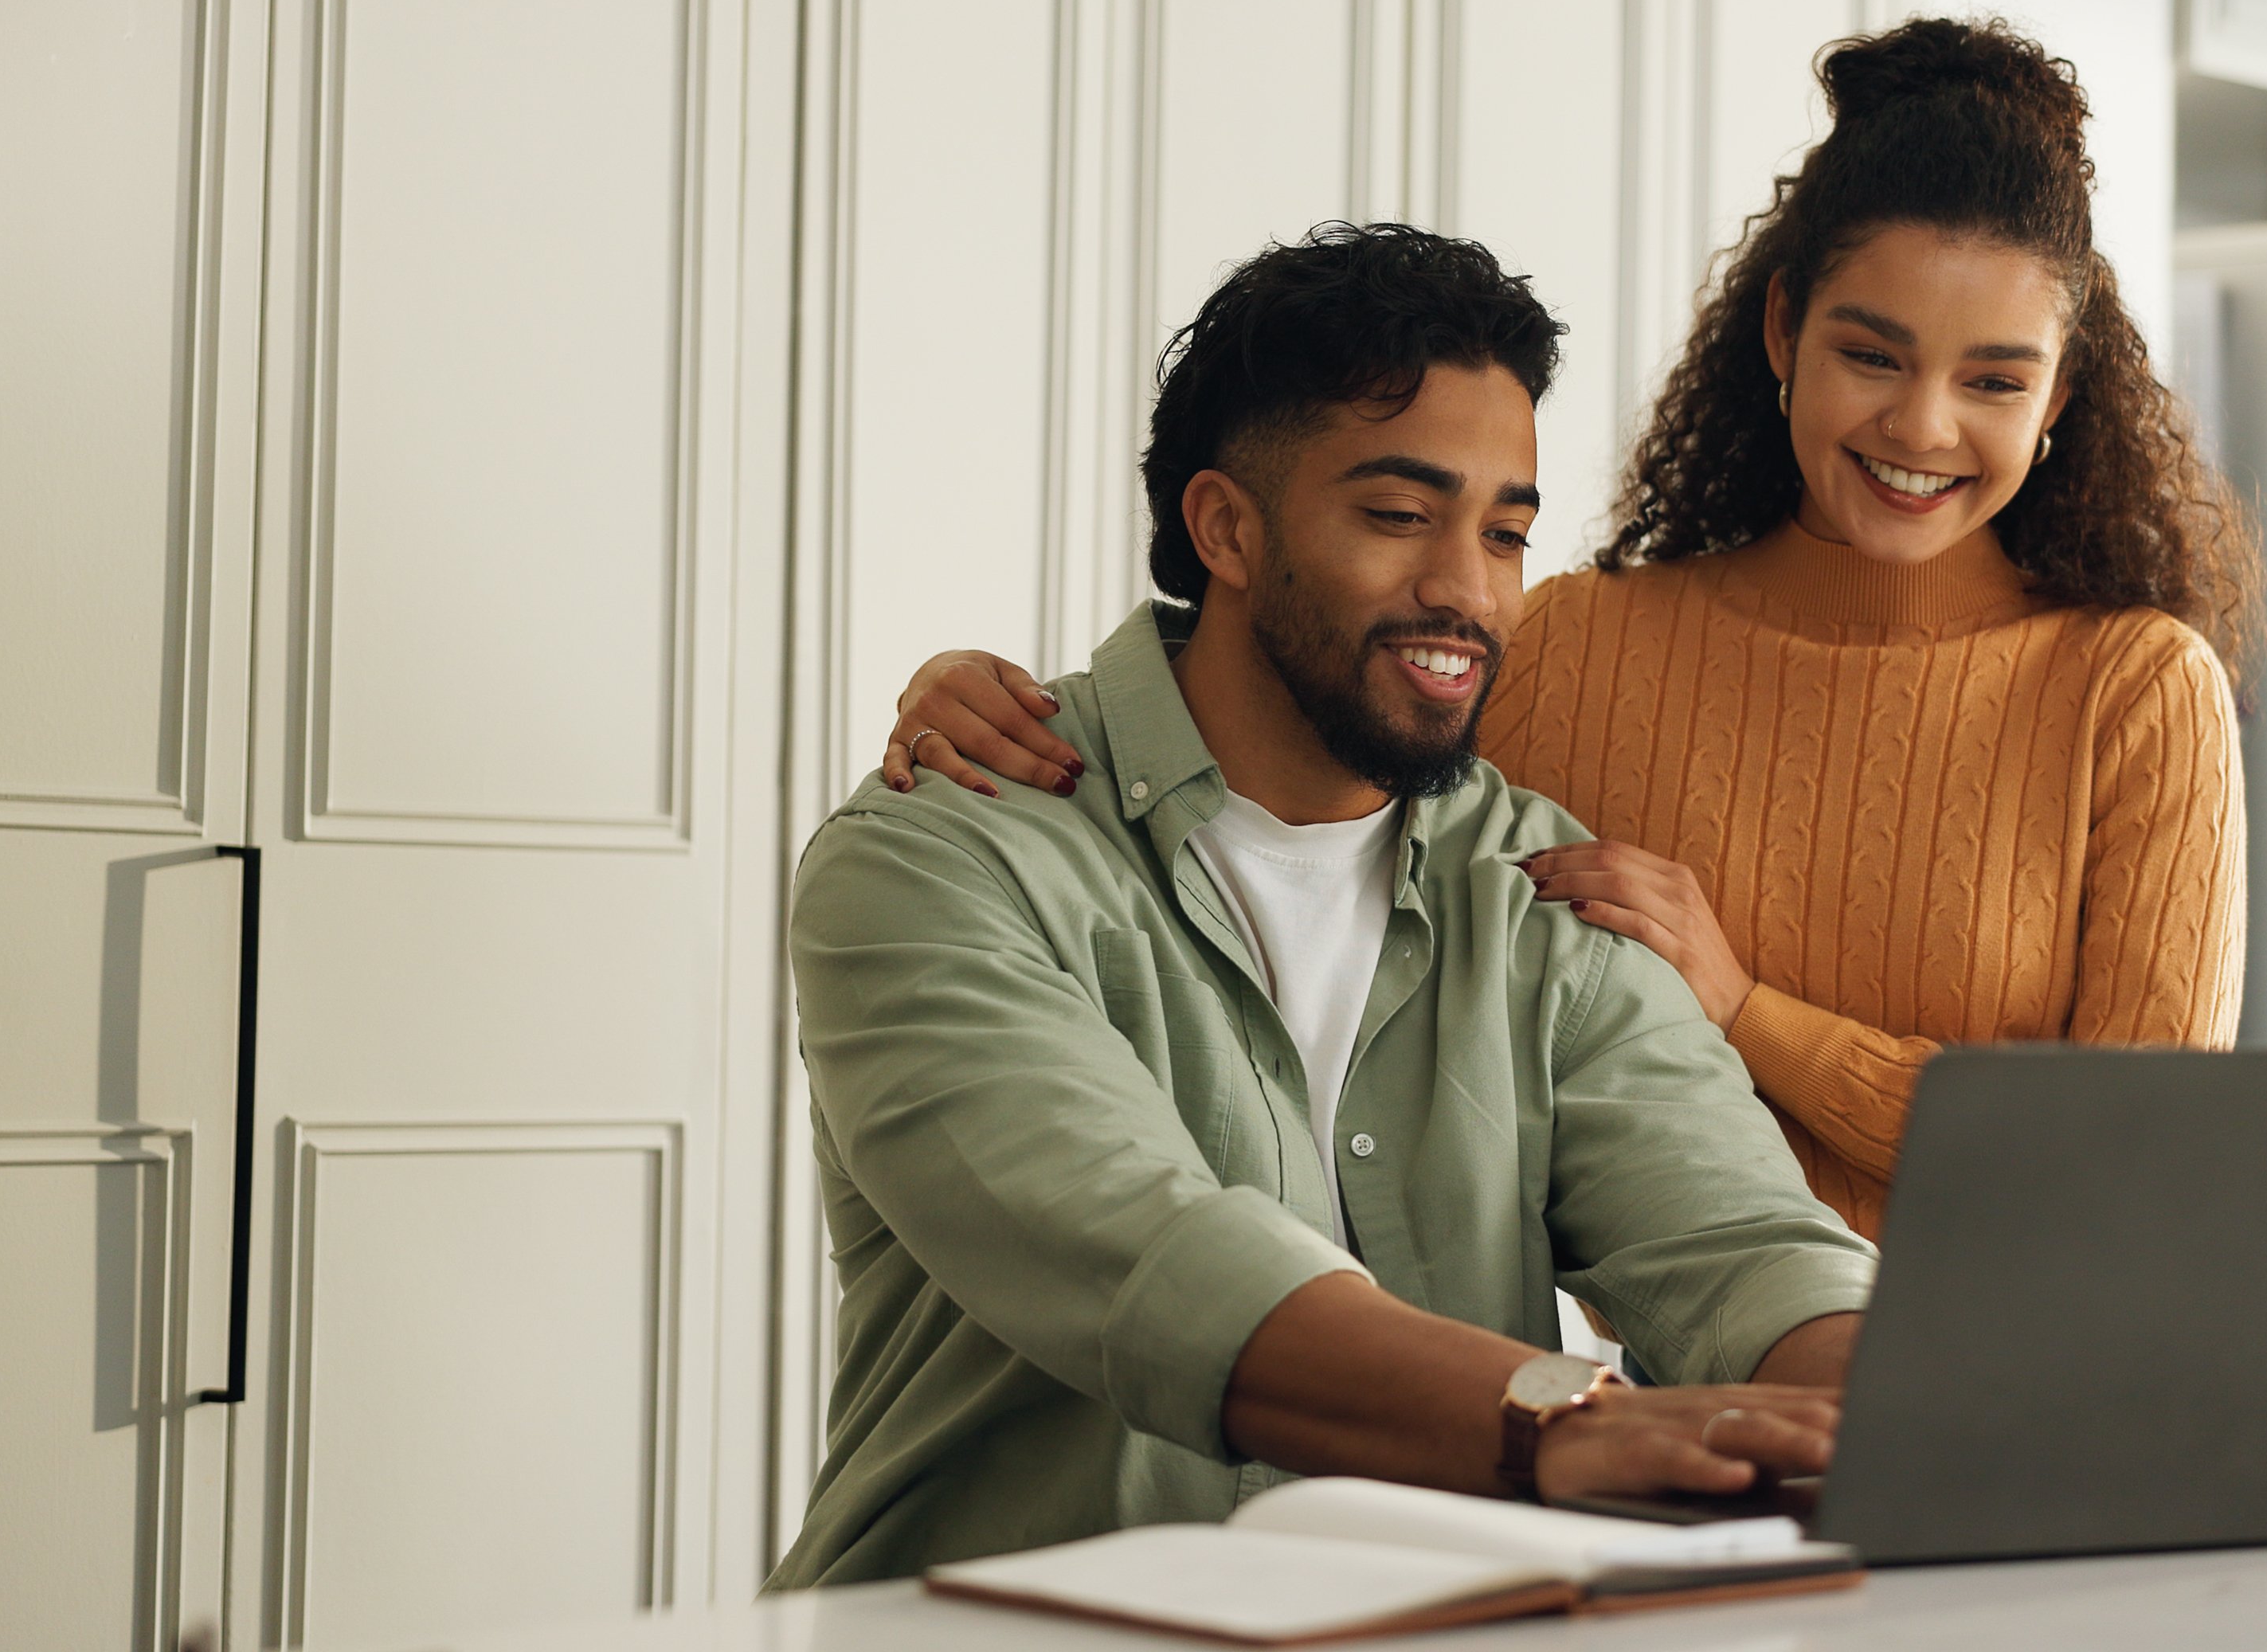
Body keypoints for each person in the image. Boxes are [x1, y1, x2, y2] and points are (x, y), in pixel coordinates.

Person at [877, 18, 2262, 1241]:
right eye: (1872, 354)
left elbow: (2134, 1166)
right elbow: (1276, 735)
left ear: (2062, 396)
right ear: (1783, 329)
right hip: (1666, 1440)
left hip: (2044, 1421)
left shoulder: (2134, 690)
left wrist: (1748, 1012)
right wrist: (988, 700)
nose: (1923, 427)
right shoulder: (1574, 644)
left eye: (1995, 379)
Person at [771, 223, 1873, 1587]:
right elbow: (1147, 1256)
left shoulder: (1542, 892)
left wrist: (1885, 1414)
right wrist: (1553, 1421)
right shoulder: (941, 861)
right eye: (1400, 517)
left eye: (1507, 533)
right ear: (1227, 528)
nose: (1467, 592)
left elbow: (1739, 1244)